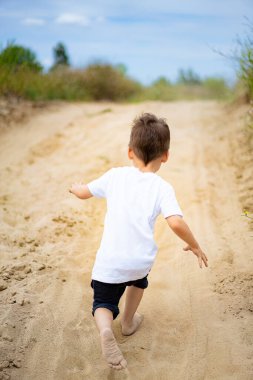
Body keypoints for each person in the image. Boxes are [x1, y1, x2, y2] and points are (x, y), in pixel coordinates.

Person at [69, 113, 208, 371]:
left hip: (110, 261)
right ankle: (129, 322)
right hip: (139, 261)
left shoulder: (114, 176)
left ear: (130, 152)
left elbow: (84, 193)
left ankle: (105, 330)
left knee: (102, 303)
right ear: (165, 155)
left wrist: (76, 188)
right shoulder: (162, 187)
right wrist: (195, 245)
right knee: (137, 282)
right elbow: (176, 222)